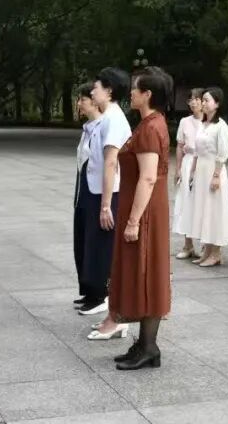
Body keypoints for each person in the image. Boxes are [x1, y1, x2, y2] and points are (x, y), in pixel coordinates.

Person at [110, 68, 173, 371]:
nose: (131, 93)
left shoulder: (150, 127)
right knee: (143, 272)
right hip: (145, 207)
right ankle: (145, 344)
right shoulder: (151, 123)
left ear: (147, 94)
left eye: (136, 88)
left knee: (147, 273)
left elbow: (148, 178)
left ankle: (149, 347)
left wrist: (134, 221)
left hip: (145, 211)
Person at [77, 68, 133, 319]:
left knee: (101, 244)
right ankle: (92, 292)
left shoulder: (114, 119)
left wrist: (106, 205)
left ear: (109, 91)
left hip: (107, 192)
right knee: (91, 241)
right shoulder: (105, 117)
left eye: (96, 87)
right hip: (95, 188)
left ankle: (102, 295)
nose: (92, 91)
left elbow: (111, 162)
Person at [188, 88, 228, 267]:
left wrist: (216, 175)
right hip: (201, 171)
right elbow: (197, 152)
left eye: (207, 100)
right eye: (203, 100)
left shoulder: (221, 126)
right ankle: (206, 251)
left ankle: (216, 253)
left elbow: (223, 154)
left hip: (214, 171)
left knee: (214, 210)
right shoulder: (203, 125)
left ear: (217, 103)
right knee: (204, 210)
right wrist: (192, 171)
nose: (203, 103)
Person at [173, 89, 205, 259]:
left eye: (197, 99)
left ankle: (206, 245)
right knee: (186, 201)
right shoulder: (185, 122)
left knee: (204, 203)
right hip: (188, 162)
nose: (193, 103)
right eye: (191, 99)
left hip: (204, 163)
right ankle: (188, 245)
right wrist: (178, 169)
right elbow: (180, 146)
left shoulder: (210, 122)